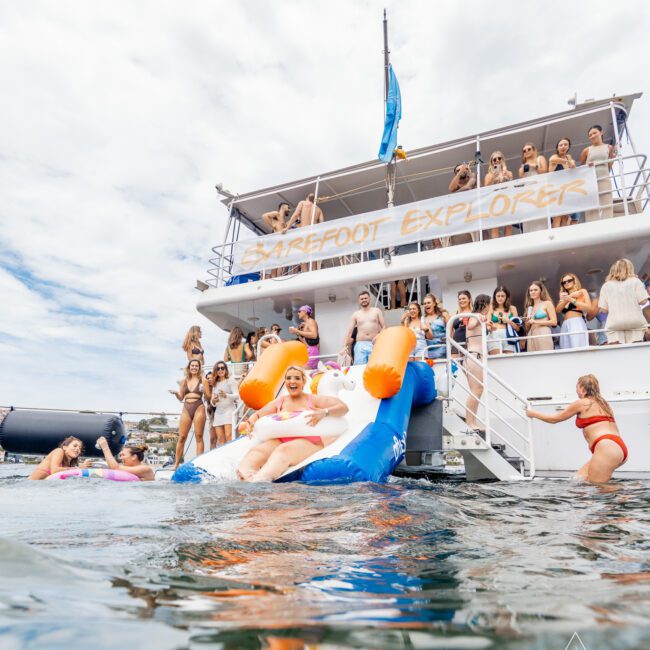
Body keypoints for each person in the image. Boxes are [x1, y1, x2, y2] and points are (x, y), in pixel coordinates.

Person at [236, 366, 349, 482]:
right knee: (256, 451)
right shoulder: (280, 401)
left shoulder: (313, 399)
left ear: (303, 381)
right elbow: (258, 414)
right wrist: (249, 423)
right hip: (281, 439)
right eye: (288, 378)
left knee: (284, 450)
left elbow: (343, 407)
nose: (292, 381)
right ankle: (244, 478)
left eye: (297, 378)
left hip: (310, 442)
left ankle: (258, 482)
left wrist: (324, 412)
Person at [526, 374, 627, 482]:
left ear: (583, 389)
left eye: (577, 388)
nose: (576, 391)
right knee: (579, 479)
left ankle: (628, 495)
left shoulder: (582, 403)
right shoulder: (604, 404)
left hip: (606, 448)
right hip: (618, 447)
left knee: (599, 488)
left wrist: (532, 413)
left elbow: (554, 419)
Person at [169, 359, 210, 469]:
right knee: (182, 437)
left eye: (196, 366)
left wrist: (204, 390)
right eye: (192, 366)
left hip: (199, 407)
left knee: (199, 436)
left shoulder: (203, 380)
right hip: (186, 407)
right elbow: (181, 397)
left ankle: (198, 464)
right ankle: (176, 463)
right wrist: (175, 394)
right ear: (189, 367)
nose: (194, 368)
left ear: (199, 368)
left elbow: (208, 397)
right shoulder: (184, 381)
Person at [598, 258, 648, 344]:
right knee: (635, 349)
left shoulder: (606, 286)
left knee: (618, 351)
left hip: (615, 323)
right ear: (630, 268)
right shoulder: (636, 281)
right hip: (635, 321)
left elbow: (604, 309)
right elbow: (643, 301)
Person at [465, 294, 491, 433]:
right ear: (485, 304)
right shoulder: (474, 315)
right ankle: (470, 422)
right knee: (477, 390)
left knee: (478, 390)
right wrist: (478, 318)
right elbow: (470, 326)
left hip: (475, 356)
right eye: (489, 304)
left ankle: (472, 421)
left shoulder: (478, 316)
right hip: (474, 356)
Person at [282, 193, 324, 272]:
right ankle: (314, 272)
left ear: (306, 197)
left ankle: (305, 272)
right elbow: (322, 224)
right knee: (313, 255)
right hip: (313, 233)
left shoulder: (302, 203)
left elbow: (295, 215)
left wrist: (287, 228)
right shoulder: (318, 209)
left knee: (302, 254)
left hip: (304, 232)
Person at [580, 125, 614, 222]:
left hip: (604, 178)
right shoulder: (586, 150)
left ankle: (608, 221)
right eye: (590, 135)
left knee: (606, 200)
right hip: (590, 179)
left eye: (594, 133)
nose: (592, 136)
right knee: (591, 201)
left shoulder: (609, 147)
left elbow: (609, 164)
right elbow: (581, 168)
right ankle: (591, 222)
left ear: (601, 133)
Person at [343, 290, 386, 365]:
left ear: (369, 299)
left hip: (374, 344)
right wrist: (345, 345)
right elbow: (349, 331)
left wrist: (379, 335)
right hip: (360, 345)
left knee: (375, 367)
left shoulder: (377, 311)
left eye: (366, 298)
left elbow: (384, 327)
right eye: (362, 299)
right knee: (360, 369)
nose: (364, 300)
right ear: (359, 301)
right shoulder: (356, 314)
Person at [483, 151, 514, 239]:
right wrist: (494, 176)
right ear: (491, 162)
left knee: (508, 224)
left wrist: (504, 169)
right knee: (495, 224)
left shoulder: (509, 173)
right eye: (494, 159)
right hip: (495, 200)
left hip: (507, 198)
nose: (497, 160)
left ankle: (508, 241)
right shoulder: (489, 175)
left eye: (499, 158)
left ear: (502, 160)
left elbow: (511, 182)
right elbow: (486, 187)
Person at [519, 143, 548, 234]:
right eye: (524, 151)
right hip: (528, 192)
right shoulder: (523, 165)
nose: (526, 152)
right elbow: (521, 178)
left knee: (541, 213)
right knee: (528, 215)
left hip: (539, 189)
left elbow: (544, 171)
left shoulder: (540, 159)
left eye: (529, 149)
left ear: (534, 150)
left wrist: (534, 166)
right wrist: (523, 169)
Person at [556, 272, 590, 349]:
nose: (566, 283)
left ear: (574, 280)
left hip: (576, 322)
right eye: (564, 282)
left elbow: (588, 307)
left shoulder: (582, 291)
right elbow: (558, 310)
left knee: (578, 347)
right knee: (565, 349)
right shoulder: (564, 294)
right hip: (565, 324)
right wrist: (570, 296)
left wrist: (571, 300)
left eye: (569, 280)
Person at [209, 362, 239, 448]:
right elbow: (212, 402)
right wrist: (213, 401)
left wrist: (227, 395)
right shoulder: (215, 383)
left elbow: (237, 396)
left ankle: (230, 458)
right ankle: (223, 459)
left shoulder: (230, 380)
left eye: (222, 368)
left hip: (229, 410)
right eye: (218, 368)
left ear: (226, 369)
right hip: (218, 412)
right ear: (216, 371)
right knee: (220, 438)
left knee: (229, 436)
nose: (220, 370)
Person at [548, 138, 577, 227]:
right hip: (555, 191)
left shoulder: (569, 157)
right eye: (561, 145)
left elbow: (573, 168)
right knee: (557, 216)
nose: (563, 147)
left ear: (568, 147)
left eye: (565, 144)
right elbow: (553, 160)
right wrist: (568, 162)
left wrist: (572, 163)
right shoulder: (554, 157)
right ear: (557, 147)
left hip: (566, 190)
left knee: (565, 215)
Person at [523, 281, 557, 352]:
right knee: (533, 360)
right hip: (531, 334)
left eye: (535, 290)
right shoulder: (529, 307)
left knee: (545, 358)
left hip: (543, 332)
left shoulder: (547, 303)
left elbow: (554, 322)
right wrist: (527, 322)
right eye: (531, 290)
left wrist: (535, 321)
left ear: (541, 291)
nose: (533, 292)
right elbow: (527, 327)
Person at [487, 286, 520, 355]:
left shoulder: (512, 308)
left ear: (507, 297)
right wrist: (490, 328)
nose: (500, 298)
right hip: (494, 335)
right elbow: (488, 325)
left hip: (508, 336)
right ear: (494, 297)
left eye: (502, 296)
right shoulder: (491, 307)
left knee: (510, 360)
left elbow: (517, 328)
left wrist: (508, 321)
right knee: (496, 359)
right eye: (498, 296)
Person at [262, 202, 291, 277]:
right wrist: (272, 227)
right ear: (283, 207)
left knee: (279, 265)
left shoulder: (284, 221)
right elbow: (264, 216)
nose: (289, 210)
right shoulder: (276, 214)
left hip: (281, 244)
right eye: (288, 207)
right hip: (276, 243)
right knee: (275, 266)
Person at [422, 293, 449, 359]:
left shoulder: (443, 315)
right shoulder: (423, 318)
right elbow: (428, 336)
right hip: (428, 350)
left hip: (443, 348)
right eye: (425, 303)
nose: (426, 305)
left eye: (428, 303)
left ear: (434, 304)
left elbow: (451, 331)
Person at [450, 290, 472, 355]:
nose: (461, 301)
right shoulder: (455, 313)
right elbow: (449, 331)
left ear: (469, 299)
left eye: (464, 298)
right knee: (454, 364)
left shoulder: (474, 312)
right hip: (457, 343)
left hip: (470, 343)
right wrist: (451, 343)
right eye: (459, 299)